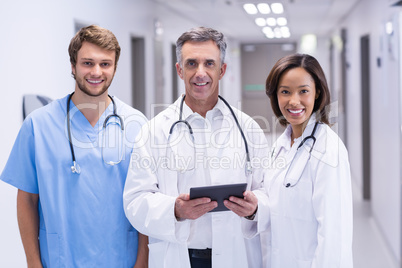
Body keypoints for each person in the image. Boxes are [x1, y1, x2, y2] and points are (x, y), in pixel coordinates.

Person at [0, 25, 149, 267]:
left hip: (120, 258)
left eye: (105, 64)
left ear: (115, 67)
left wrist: (143, 261)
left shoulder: (137, 125)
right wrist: (33, 262)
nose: (96, 72)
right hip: (60, 260)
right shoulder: (38, 125)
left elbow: (145, 199)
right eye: (87, 63)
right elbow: (27, 198)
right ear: (73, 66)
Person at [123, 27, 269, 268]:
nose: (200, 73)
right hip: (180, 256)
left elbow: (267, 190)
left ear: (221, 70)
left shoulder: (248, 129)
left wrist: (255, 207)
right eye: (192, 63)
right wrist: (175, 210)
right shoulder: (154, 131)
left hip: (235, 255)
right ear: (180, 70)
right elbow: (135, 201)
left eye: (209, 63)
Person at [259, 53, 353, 267]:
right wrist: (254, 208)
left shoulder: (328, 149)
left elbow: (334, 238)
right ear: (275, 96)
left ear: (317, 93)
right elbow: (276, 205)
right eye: (285, 92)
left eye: (303, 91)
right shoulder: (280, 145)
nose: (294, 101)